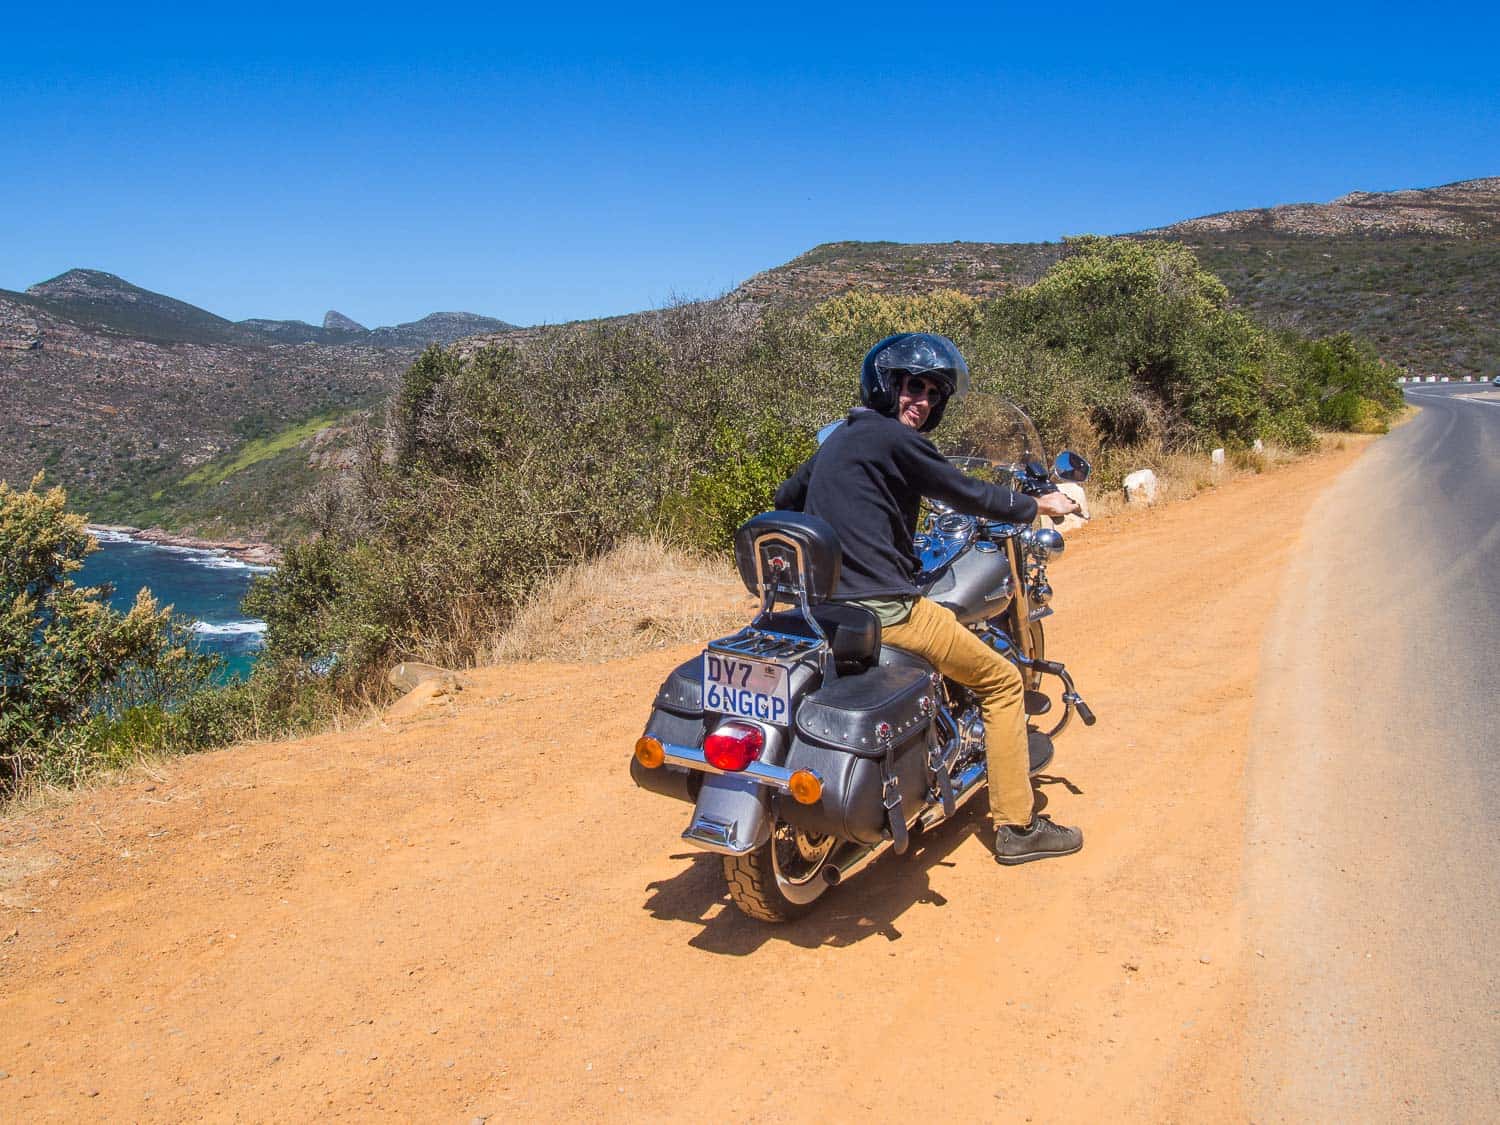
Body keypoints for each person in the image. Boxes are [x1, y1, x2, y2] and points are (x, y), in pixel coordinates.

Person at [773, 333, 1084, 864]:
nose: (922, 401)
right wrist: (1037, 504)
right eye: (912, 386)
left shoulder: (842, 438)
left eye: (934, 393)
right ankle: (1018, 827)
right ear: (886, 385)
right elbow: (963, 490)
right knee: (1002, 681)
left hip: (824, 604)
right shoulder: (895, 439)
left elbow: (787, 500)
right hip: (887, 610)